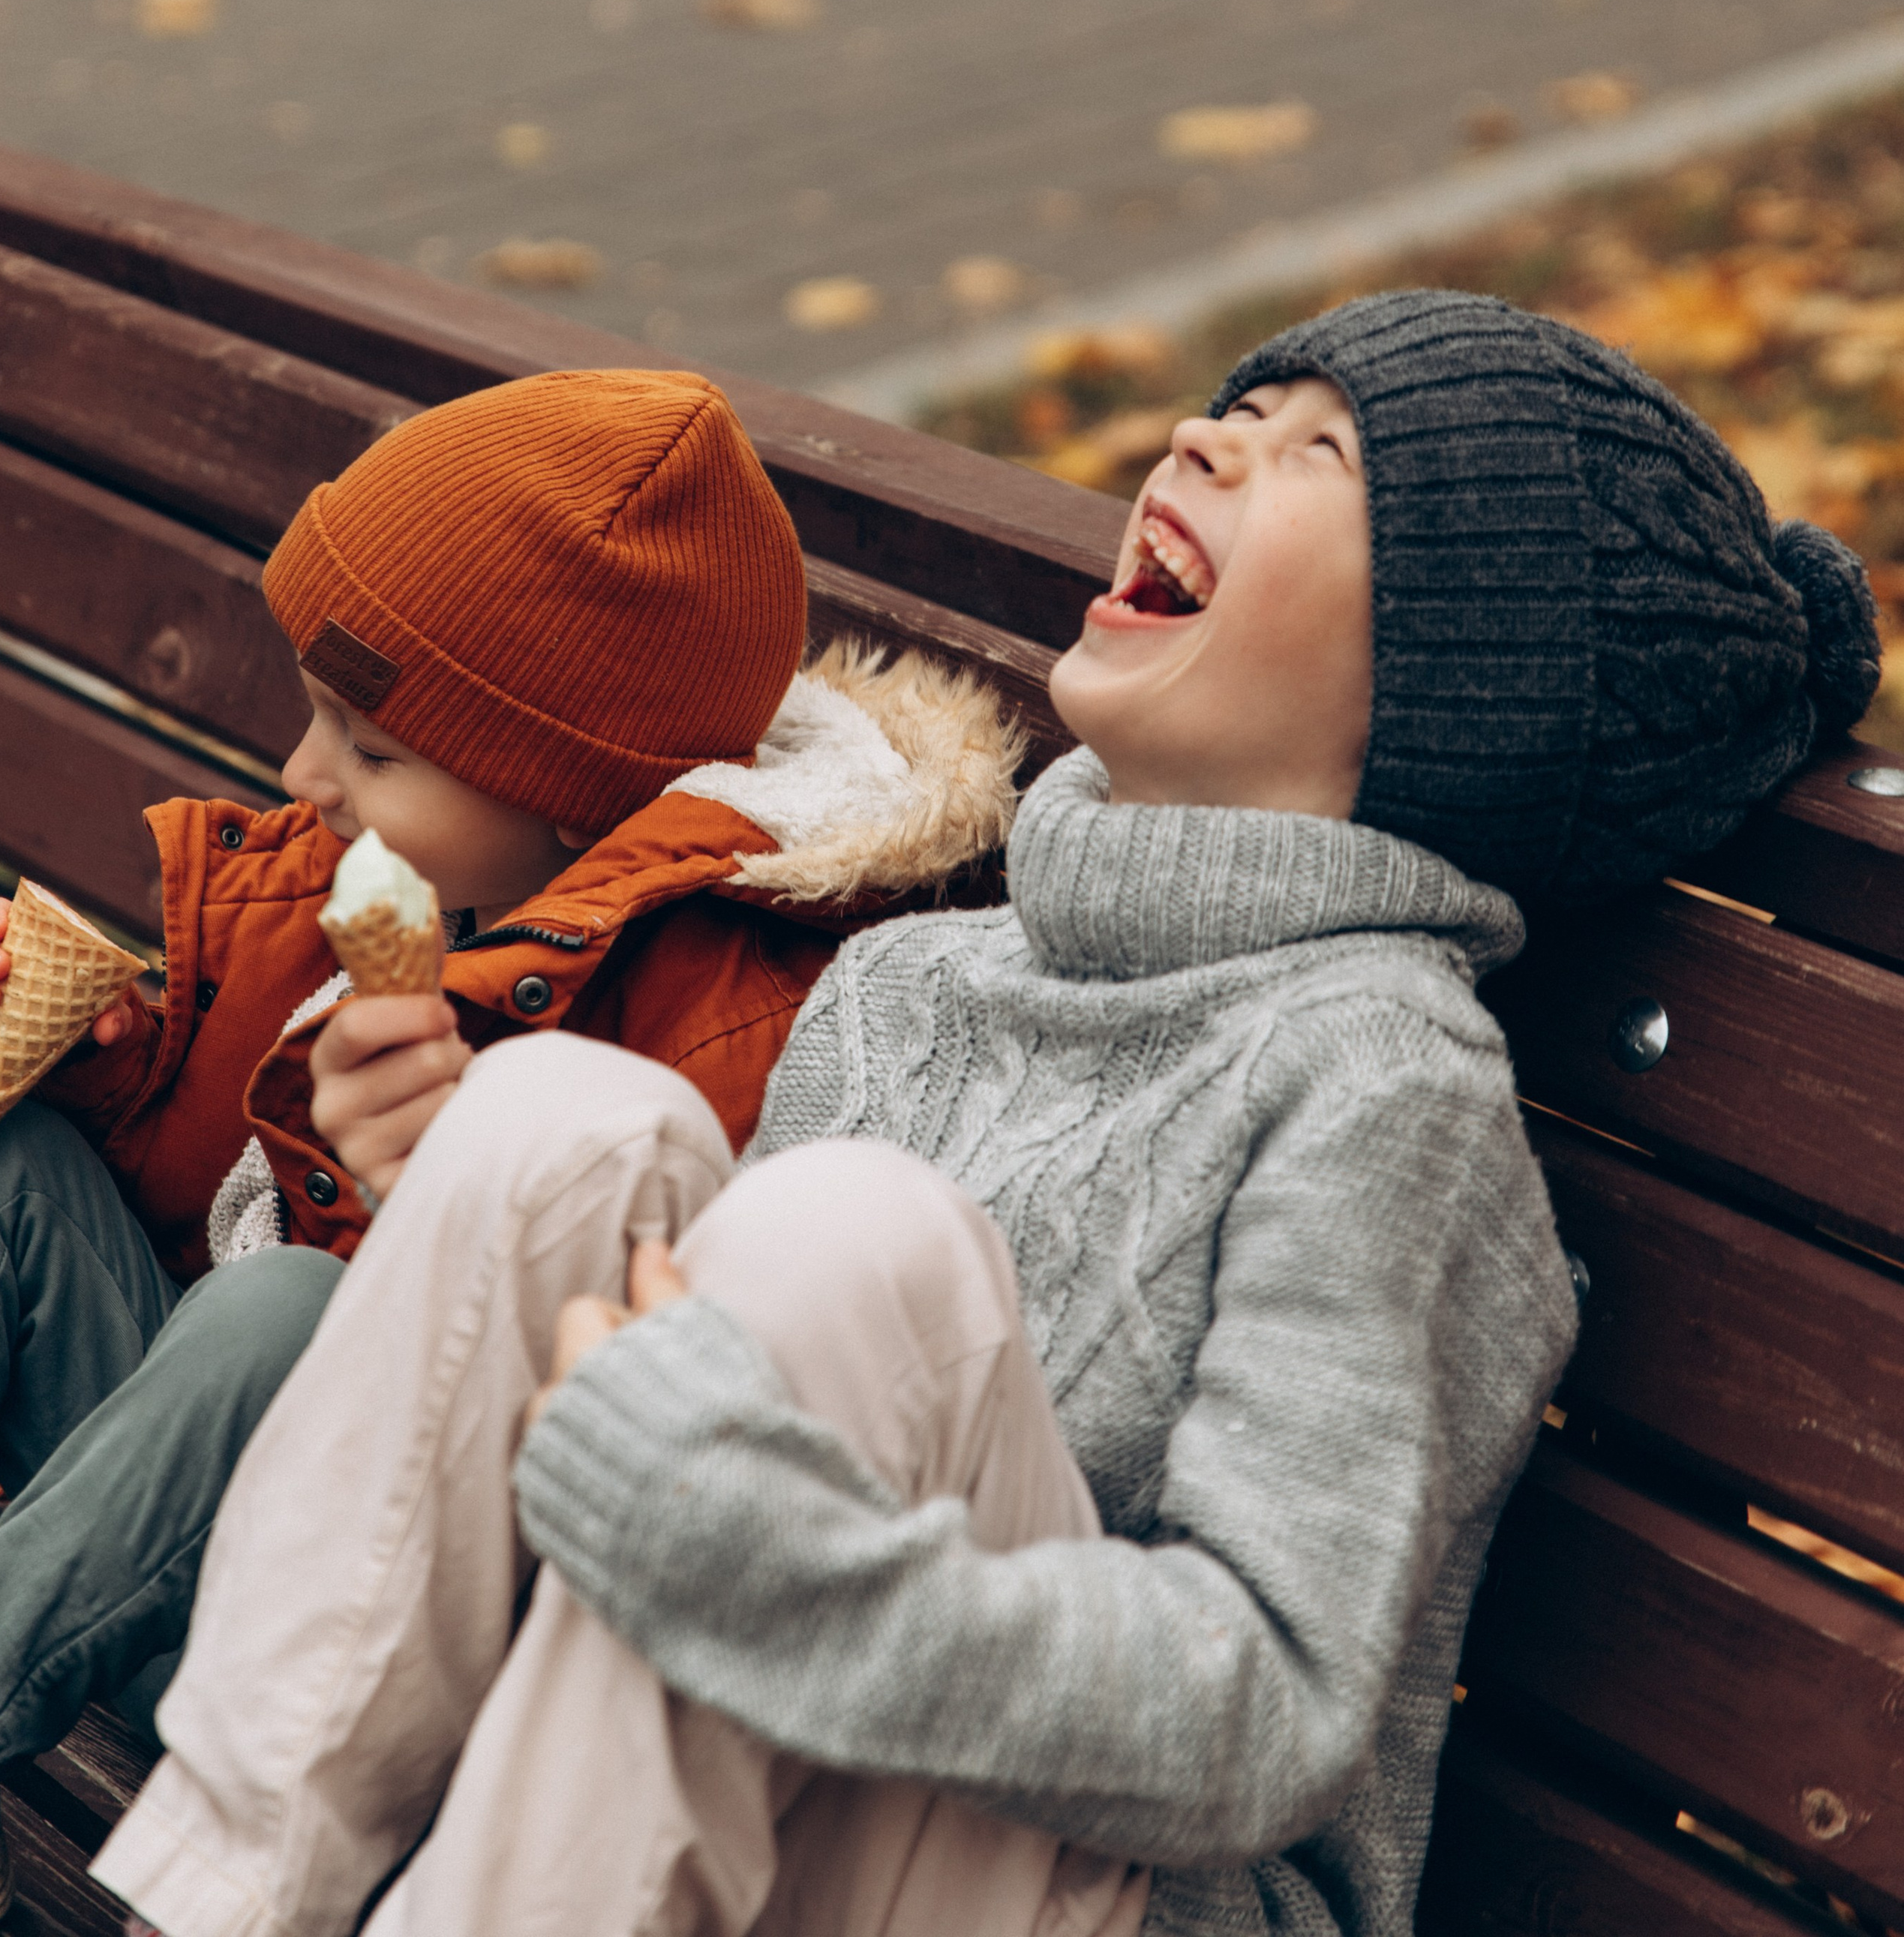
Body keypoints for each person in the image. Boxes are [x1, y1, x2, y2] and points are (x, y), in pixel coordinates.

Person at [93, 290, 1881, 1937]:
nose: (1203, 438)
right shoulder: (914, 981)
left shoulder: (1380, 1087)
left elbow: (1263, 1712)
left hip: (1126, 1890)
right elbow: (685, 1456)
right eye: (1236, 407)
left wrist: (771, 1559)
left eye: (1312, 454)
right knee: (553, 1121)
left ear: (1454, 680)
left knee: (844, 1233)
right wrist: (443, 1201)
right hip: (793, 1802)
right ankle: (213, 1905)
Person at [0, 368, 1017, 1932]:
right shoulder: (415, 881)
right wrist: (96, 1057)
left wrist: (420, 1198)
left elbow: (614, 1439)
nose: (302, 778)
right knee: (17, 1176)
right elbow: (213, 1191)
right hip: (167, 1553)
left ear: (574, 797)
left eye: (369, 749)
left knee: (287, 1310)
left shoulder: (742, 1031)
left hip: (388, 1687)